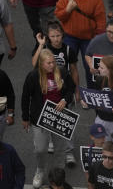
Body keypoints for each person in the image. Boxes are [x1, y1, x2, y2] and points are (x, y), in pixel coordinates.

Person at [22, 49, 75, 189]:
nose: (52, 65)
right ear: (41, 64)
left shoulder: (62, 72)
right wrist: (25, 118)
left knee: (60, 148)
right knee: (40, 149)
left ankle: (59, 173)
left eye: (53, 62)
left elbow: (71, 88)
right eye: (49, 63)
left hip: (59, 115)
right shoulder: (33, 76)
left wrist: (65, 100)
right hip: (40, 117)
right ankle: (40, 170)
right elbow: (25, 97)